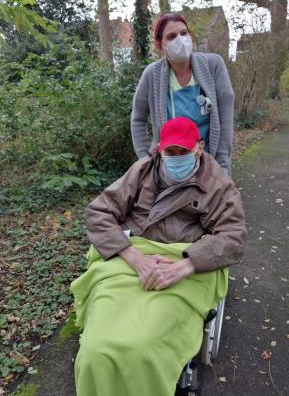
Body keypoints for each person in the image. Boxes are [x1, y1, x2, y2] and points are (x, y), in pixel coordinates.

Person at [71, 117, 246, 396]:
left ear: (199, 148)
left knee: (144, 347)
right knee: (96, 350)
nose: (176, 158)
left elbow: (233, 236)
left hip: (183, 261)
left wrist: (185, 266)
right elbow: (99, 212)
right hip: (130, 258)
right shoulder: (142, 170)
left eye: (184, 152)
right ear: (159, 150)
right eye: (170, 152)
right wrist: (135, 258)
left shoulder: (217, 183)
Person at [131, 12, 234, 175]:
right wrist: (145, 160)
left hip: (209, 163)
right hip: (169, 167)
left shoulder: (214, 65)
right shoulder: (152, 74)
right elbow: (138, 119)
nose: (180, 39)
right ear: (160, 45)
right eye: (171, 37)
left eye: (183, 33)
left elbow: (226, 117)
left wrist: (222, 163)